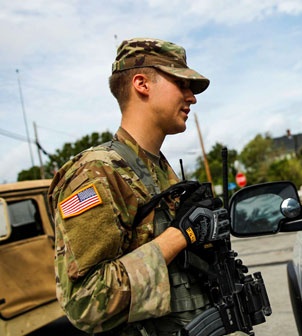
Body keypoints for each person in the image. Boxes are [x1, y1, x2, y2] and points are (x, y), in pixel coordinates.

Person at [48, 38, 226, 335]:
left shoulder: (161, 172)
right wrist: (179, 237)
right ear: (142, 84)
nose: (191, 97)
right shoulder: (97, 172)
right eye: (182, 84)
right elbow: (85, 303)